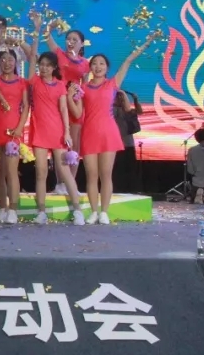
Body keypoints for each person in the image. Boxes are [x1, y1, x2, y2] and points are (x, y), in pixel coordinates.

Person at [81, 33, 157, 224]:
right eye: (94, 63)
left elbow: (128, 61)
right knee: (91, 175)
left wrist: (146, 42)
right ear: (90, 67)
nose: (98, 66)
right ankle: (94, 211)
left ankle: (104, 212)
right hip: (89, 133)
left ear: (107, 68)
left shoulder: (112, 84)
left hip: (108, 133)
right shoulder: (84, 88)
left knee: (106, 174)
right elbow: (77, 112)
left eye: (101, 64)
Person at [29, 51, 84, 225]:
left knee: (65, 171)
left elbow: (63, 109)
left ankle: (78, 210)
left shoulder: (60, 85)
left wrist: (66, 132)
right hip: (39, 132)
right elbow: (31, 54)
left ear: (54, 68)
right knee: (41, 173)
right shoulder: (34, 81)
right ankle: (41, 212)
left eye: (48, 65)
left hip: (57, 132)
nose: (44, 68)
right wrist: (36, 37)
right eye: (41, 64)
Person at [43, 14, 90, 192]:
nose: (70, 42)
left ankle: (71, 184)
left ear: (82, 44)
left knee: (74, 145)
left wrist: (79, 98)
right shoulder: (59, 54)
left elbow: (85, 86)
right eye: (68, 39)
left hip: (75, 104)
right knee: (60, 143)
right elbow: (47, 36)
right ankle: (60, 183)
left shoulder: (85, 64)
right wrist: (52, 25)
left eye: (75, 40)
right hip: (58, 103)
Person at [0, 49, 29, 225]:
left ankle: (13, 209)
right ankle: (2, 208)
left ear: (16, 62)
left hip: (13, 132)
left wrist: (19, 128)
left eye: (10, 59)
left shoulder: (22, 82)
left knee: (12, 171)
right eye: (3, 60)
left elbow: (26, 107)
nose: (7, 63)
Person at [113, 90, 142, 194]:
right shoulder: (112, 110)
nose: (121, 99)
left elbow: (139, 111)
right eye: (118, 97)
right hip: (116, 144)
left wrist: (135, 99)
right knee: (118, 169)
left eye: (122, 98)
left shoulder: (128, 111)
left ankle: (131, 189)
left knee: (130, 168)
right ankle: (118, 189)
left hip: (128, 143)